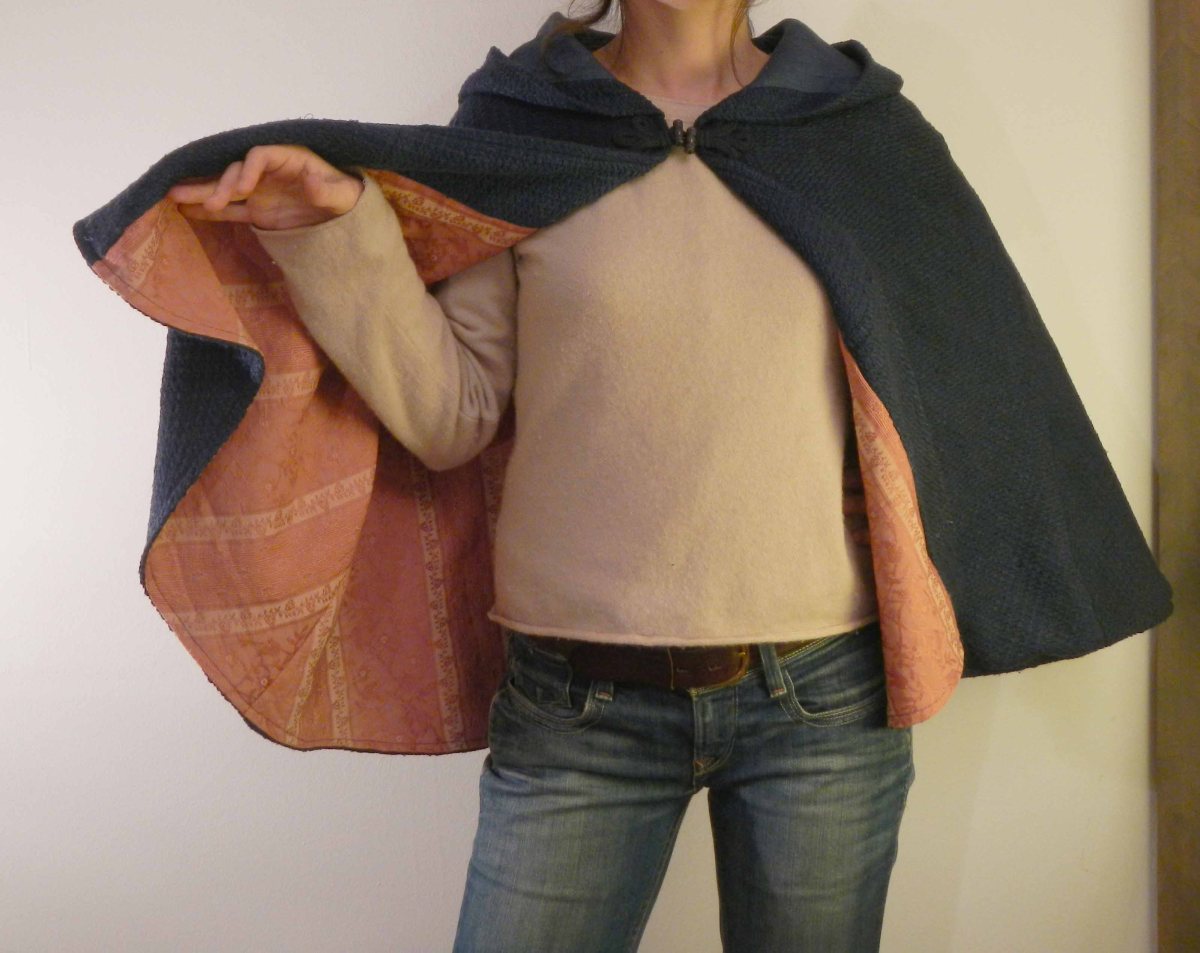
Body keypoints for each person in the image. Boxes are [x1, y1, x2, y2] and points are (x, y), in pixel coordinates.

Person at [165, 2, 927, 950]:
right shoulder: (524, 124)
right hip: (576, 708)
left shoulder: (850, 128)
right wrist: (332, 232)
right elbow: (452, 419)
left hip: (825, 698)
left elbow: (941, 390)